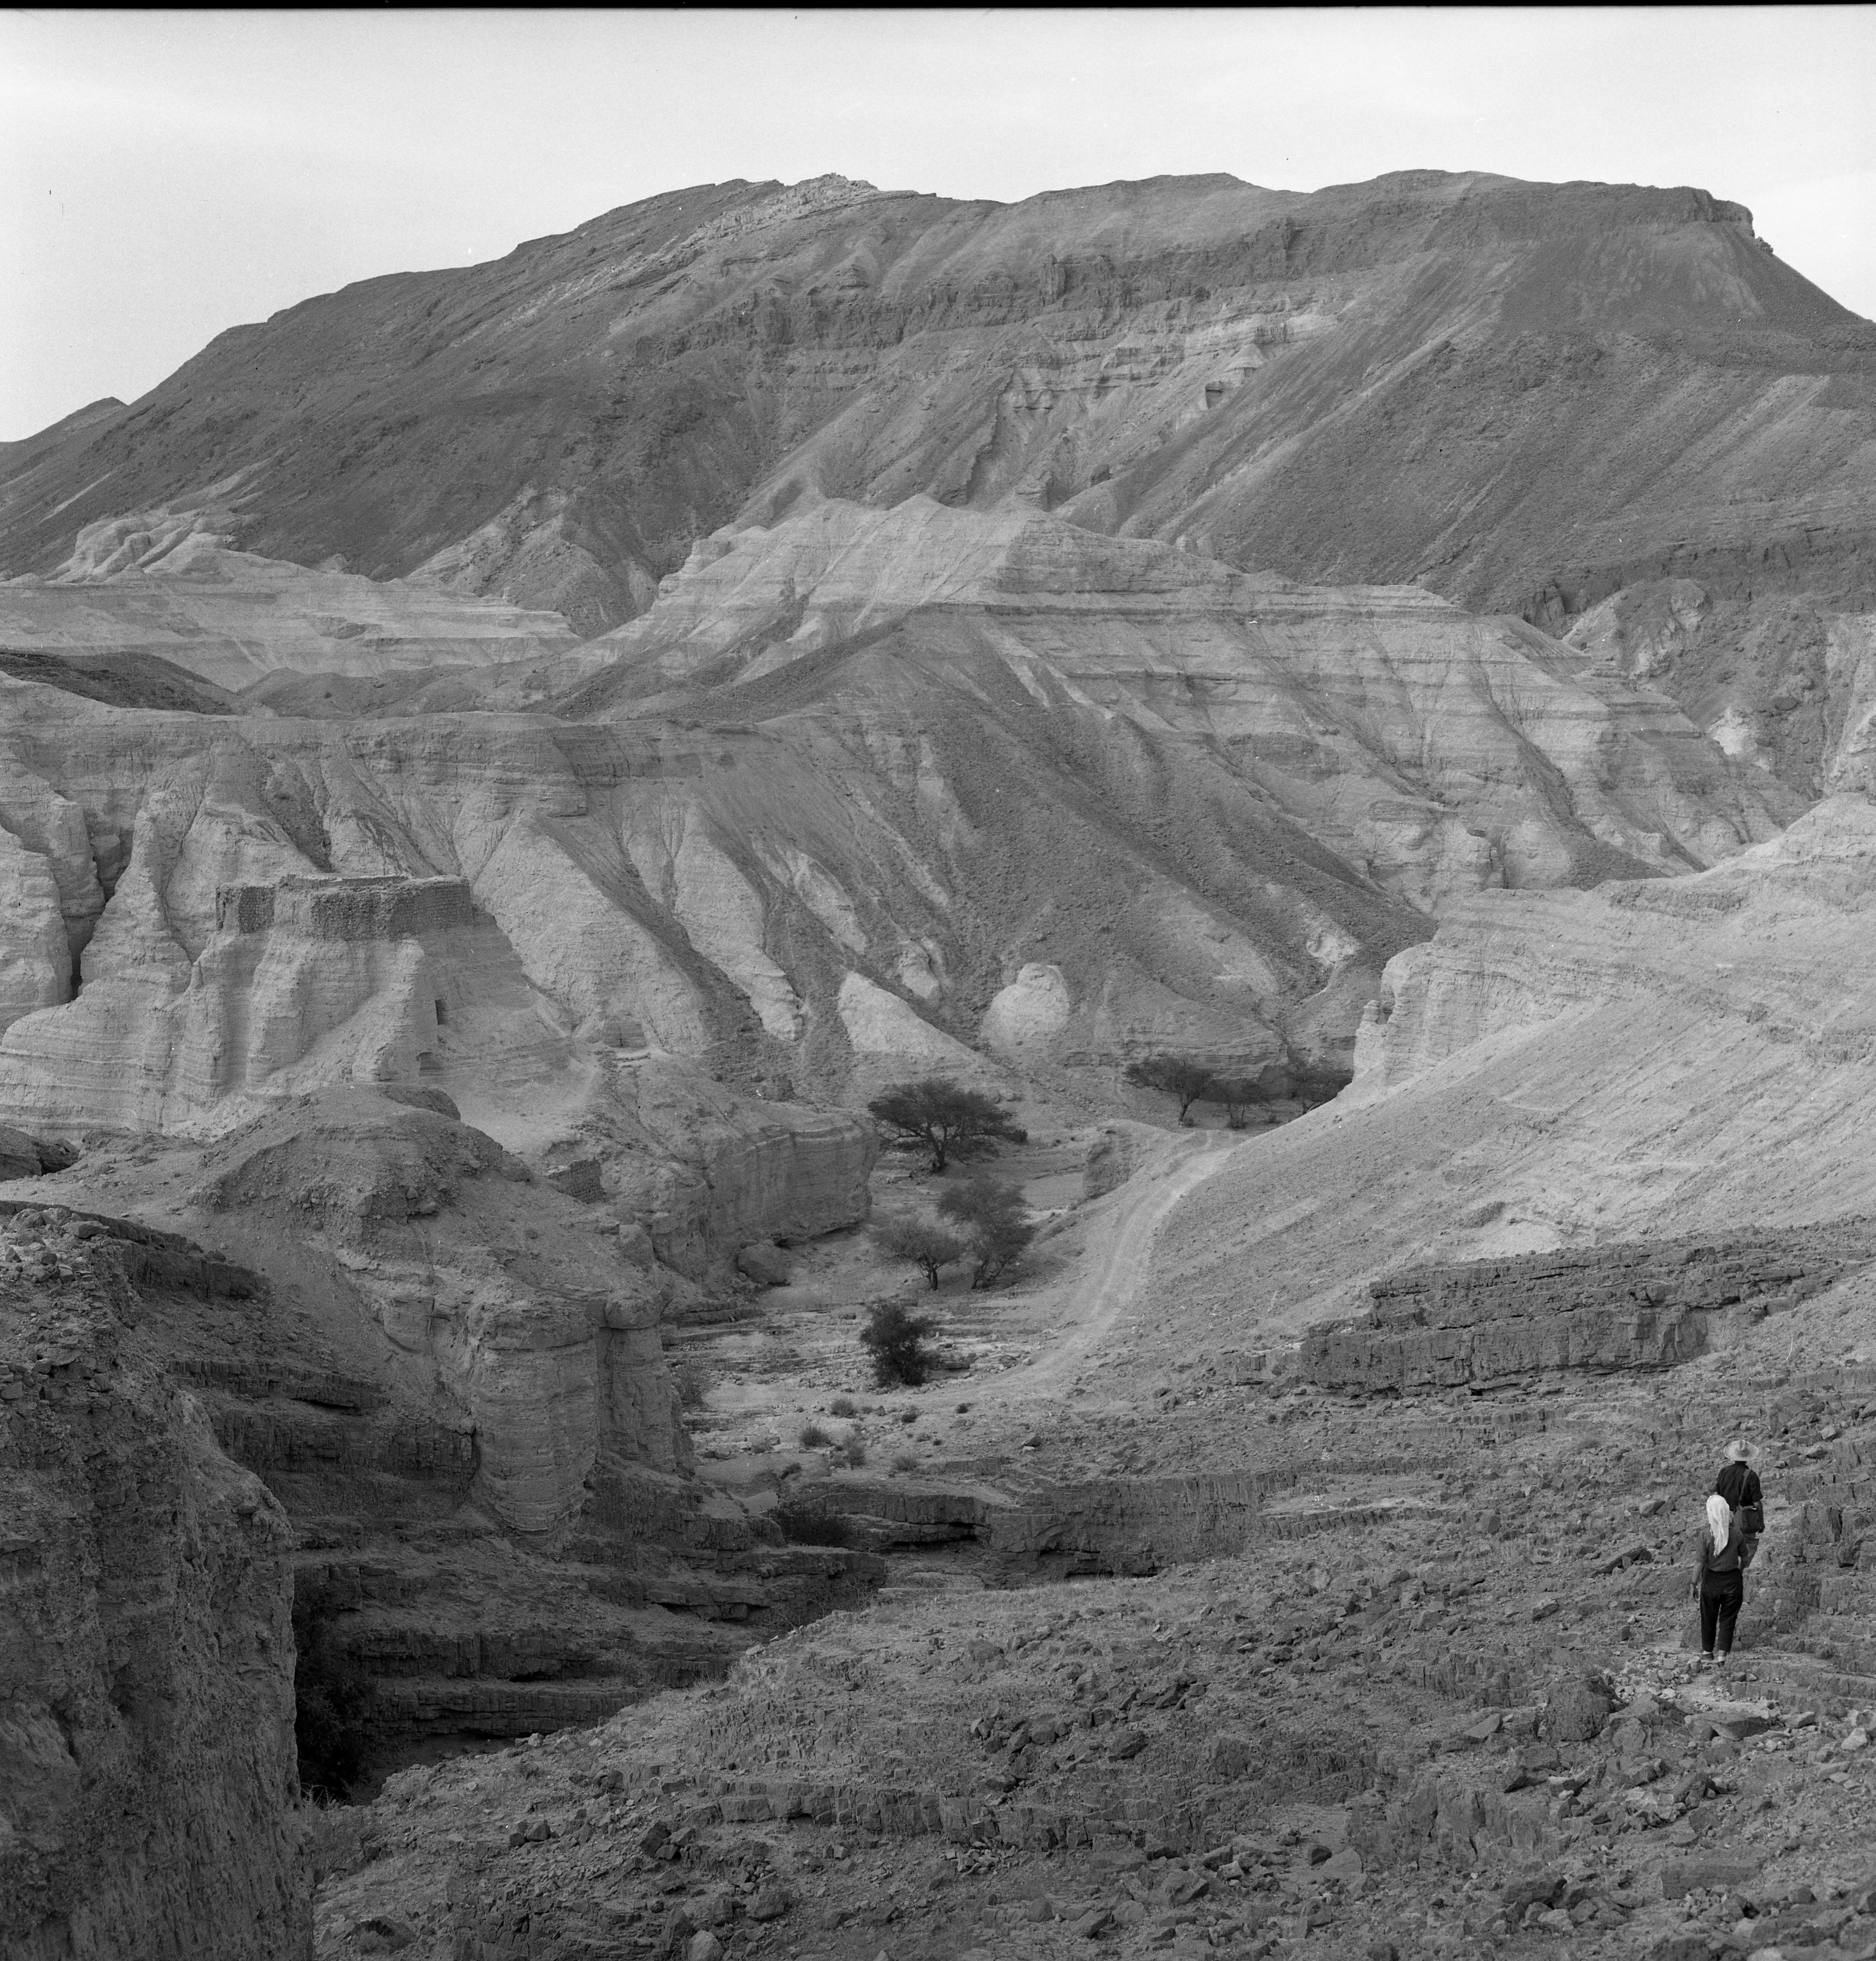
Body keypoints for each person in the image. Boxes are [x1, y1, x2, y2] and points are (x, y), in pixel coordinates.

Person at [1691, 1491, 1751, 1667]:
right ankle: (1722, 1657)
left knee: (1708, 1616)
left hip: (1711, 1582)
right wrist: (1739, 1571)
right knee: (1728, 1619)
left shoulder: (1705, 1535)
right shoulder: (1737, 1534)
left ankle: (1707, 1653)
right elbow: (1745, 1558)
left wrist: (1693, 1584)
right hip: (1732, 1582)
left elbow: (1700, 1563)